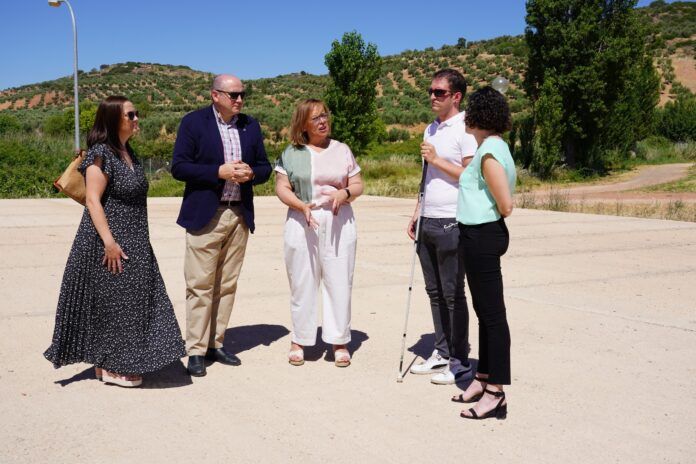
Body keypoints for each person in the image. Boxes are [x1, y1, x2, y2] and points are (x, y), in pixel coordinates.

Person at [44, 96, 185, 388]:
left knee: (133, 302)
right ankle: (112, 365)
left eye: (137, 114)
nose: (136, 119)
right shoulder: (100, 154)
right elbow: (93, 201)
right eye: (130, 115)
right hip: (107, 241)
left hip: (135, 239)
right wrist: (109, 242)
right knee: (115, 304)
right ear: (113, 120)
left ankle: (114, 361)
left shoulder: (127, 152)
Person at [424, 86, 515, 420]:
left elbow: (505, 205)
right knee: (485, 314)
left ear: (479, 116)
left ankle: (496, 393)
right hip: (477, 234)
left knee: (493, 317)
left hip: (482, 235)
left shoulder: (489, 151)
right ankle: (482, 379)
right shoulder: (491, 147)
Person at [171, 74, 271, 377]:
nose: (240, 100)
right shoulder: (193, 123)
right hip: (206, 214)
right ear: (216, 96)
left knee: (226, 285)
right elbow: (179, 167)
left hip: (238, 214)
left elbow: (265, 166)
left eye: (243, 94)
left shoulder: (250, 125)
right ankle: (196, 350)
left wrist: (251, 173)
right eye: (234, 95)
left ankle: (216, 343)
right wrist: (219, 171)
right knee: (200, 285)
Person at [275, 99, 364, 367]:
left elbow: (358, 184)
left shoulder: (342, 149)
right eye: (315, 118)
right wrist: (300, 204)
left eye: (324, 115)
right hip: (302, 220)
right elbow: (282, 187)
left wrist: (344, 192)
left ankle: (339, 340)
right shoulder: (291, 152)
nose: (323, 121)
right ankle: (300, 339)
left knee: (339, 281)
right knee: (302, 281)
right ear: (303, 124)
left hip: (338, 221)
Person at [408, 69, 478, 385]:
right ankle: (441, 351)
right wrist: (416, 211)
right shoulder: (430, 129)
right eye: (431, 91)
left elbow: (471, 177)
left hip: (453, 220)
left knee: (453, 294)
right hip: (428, 220)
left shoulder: (466, 129)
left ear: (456, 96)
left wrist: (436, 160)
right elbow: (427, 178)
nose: (433, 97)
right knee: (434, 292)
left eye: (440, 92)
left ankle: (460, 360)